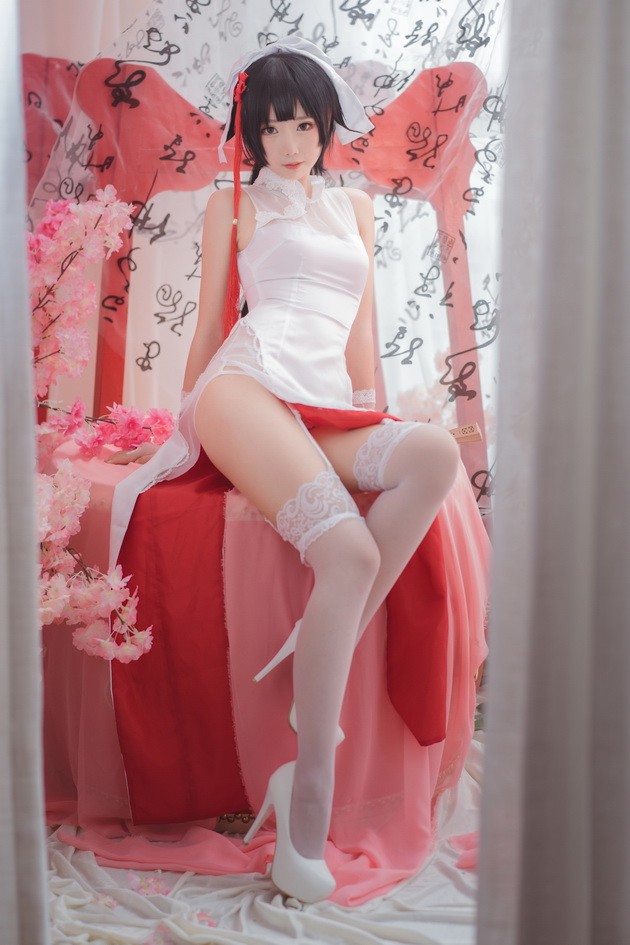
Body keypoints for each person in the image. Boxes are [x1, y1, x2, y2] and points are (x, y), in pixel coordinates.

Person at [108, 36, 462, 904]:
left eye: (304, 125)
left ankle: (322, 634)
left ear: (327, 123)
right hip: (247, 387)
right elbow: (209, 325)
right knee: (347, 552)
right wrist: (178, 428)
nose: (291, 144)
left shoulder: (356, 209)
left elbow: (359, 333)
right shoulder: (233, 202)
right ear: (252, 135)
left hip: (324, 403)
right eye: (271, 130)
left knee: (433, 453)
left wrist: (374, 411)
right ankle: (306, 794)